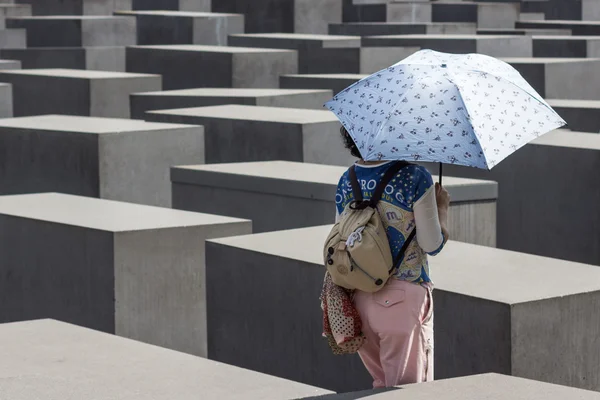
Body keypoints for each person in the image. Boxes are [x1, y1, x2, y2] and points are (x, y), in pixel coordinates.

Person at [335, 127, 450, 388]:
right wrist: (442, 209)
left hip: (360, 300)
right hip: (403, 300)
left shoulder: (347, 179)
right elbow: (432, 244)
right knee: (409, 392)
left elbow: (342, 239)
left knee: (382, 386)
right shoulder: (415, 176)